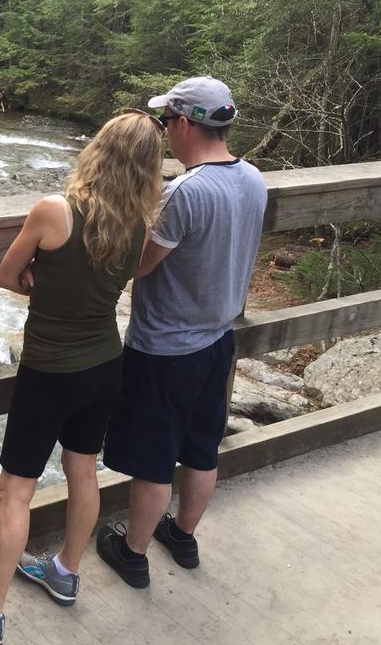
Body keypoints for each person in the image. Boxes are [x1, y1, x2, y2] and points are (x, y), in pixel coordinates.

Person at [0, 111, 165, 645]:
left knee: (15, 491)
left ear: (99, 151)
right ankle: (64, 573)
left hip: (50, 370)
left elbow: (7, 275)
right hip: (106, 364)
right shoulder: (140, 225)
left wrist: (42, 285)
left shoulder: (55, 211)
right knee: (83, 472)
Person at [97, 77, 267, 588]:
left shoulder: (183, 193)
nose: (166, 131)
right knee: (200, 447)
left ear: (187, 124)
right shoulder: (253, 178)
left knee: (152, 460)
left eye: (168, 121)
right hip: (220, 341)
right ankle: (184, 536)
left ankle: (133, 553)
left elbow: (142, 265)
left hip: (166, 348)